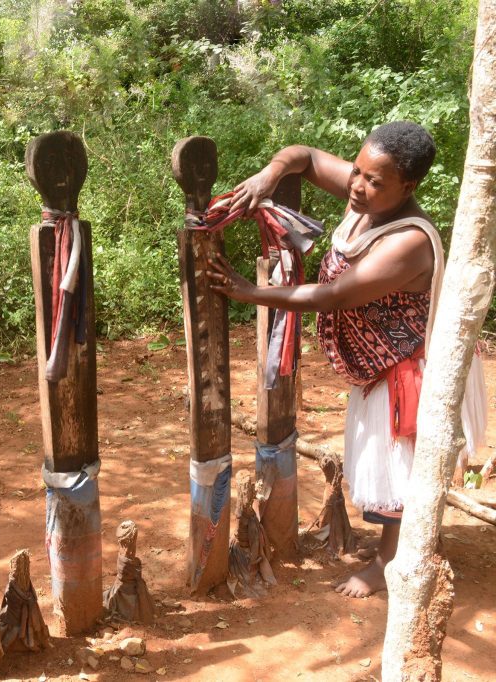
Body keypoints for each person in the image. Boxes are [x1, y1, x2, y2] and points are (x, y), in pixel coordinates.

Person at [208, 121, 487, 598]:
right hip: (381, 366)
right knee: (389, 458)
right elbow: (304, 156)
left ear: (408, 186)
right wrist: (268, 175)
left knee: (400, 464)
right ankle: (395, 546)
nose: (358, 186)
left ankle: (390, 560)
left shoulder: (409, 241)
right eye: (357, 171)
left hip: (409, 370)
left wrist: (250, 292)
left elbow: (335, 295)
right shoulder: (369, 195)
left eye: (375, 180)